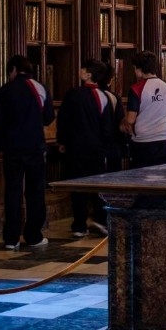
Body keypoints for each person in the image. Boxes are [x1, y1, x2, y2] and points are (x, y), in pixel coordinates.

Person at [0, 55, 54, 250]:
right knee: (35, 192)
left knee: (12, 192)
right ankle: (33, 235)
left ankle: (11, 239)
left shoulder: (5, 90)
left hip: (12, 149)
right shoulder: (40, 88)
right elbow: (49, 118)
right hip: (35, 148)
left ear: (13, 70)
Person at [57, 59, 118, 238]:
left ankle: (79, 225)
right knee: (97, 185)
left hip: (76, 148)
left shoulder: (73, 94)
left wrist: (63, 141)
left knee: (78, 187)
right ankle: (100, 219)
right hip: (97, 149)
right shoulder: (104, 96)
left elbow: (64, 120)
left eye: (82, 69)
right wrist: (105, 145)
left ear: (88, 74)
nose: (80, 71)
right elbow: (107, 126)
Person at [125, 51, 166, 168]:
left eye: (134, 68)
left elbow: (130, 119)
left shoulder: (135, 88)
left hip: (143, 142)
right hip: (165, 140)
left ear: (139, 69)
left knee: (143, 179)